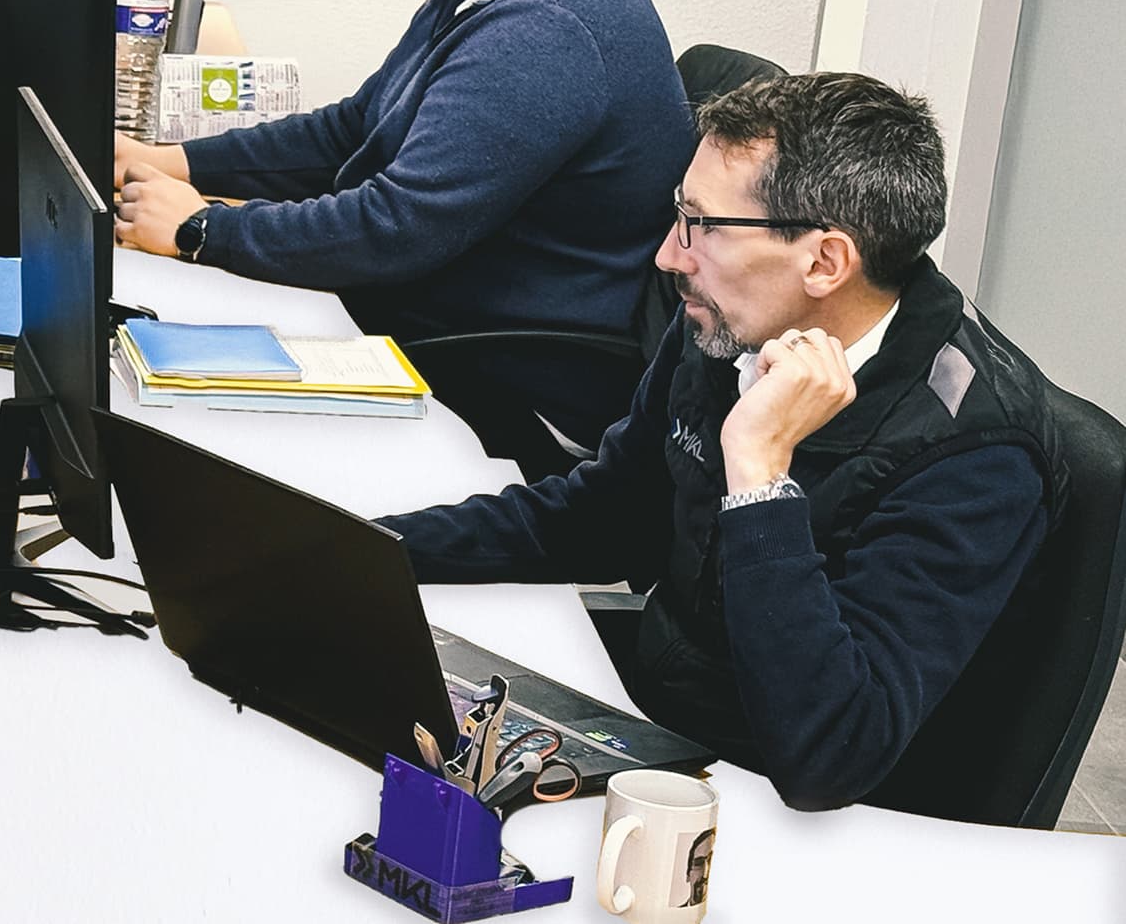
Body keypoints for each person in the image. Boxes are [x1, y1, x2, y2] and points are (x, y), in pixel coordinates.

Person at [378, 73, 1064, 811]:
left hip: (778, 803)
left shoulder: (976, 453)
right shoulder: (731, 319)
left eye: (702, 225)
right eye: (680, 215)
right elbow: (601, 516)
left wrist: (760, 476)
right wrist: (362, 549)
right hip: (659, 720)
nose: (670, 256)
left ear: (825, 262)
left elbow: (829, 751)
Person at [113, 0, 691, 447]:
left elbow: (393, 228)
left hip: (498, 379)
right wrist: (168, 163)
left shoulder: (551, 28)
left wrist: (201, 230)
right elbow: (354, 129)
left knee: (162, 378)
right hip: (426, 318)